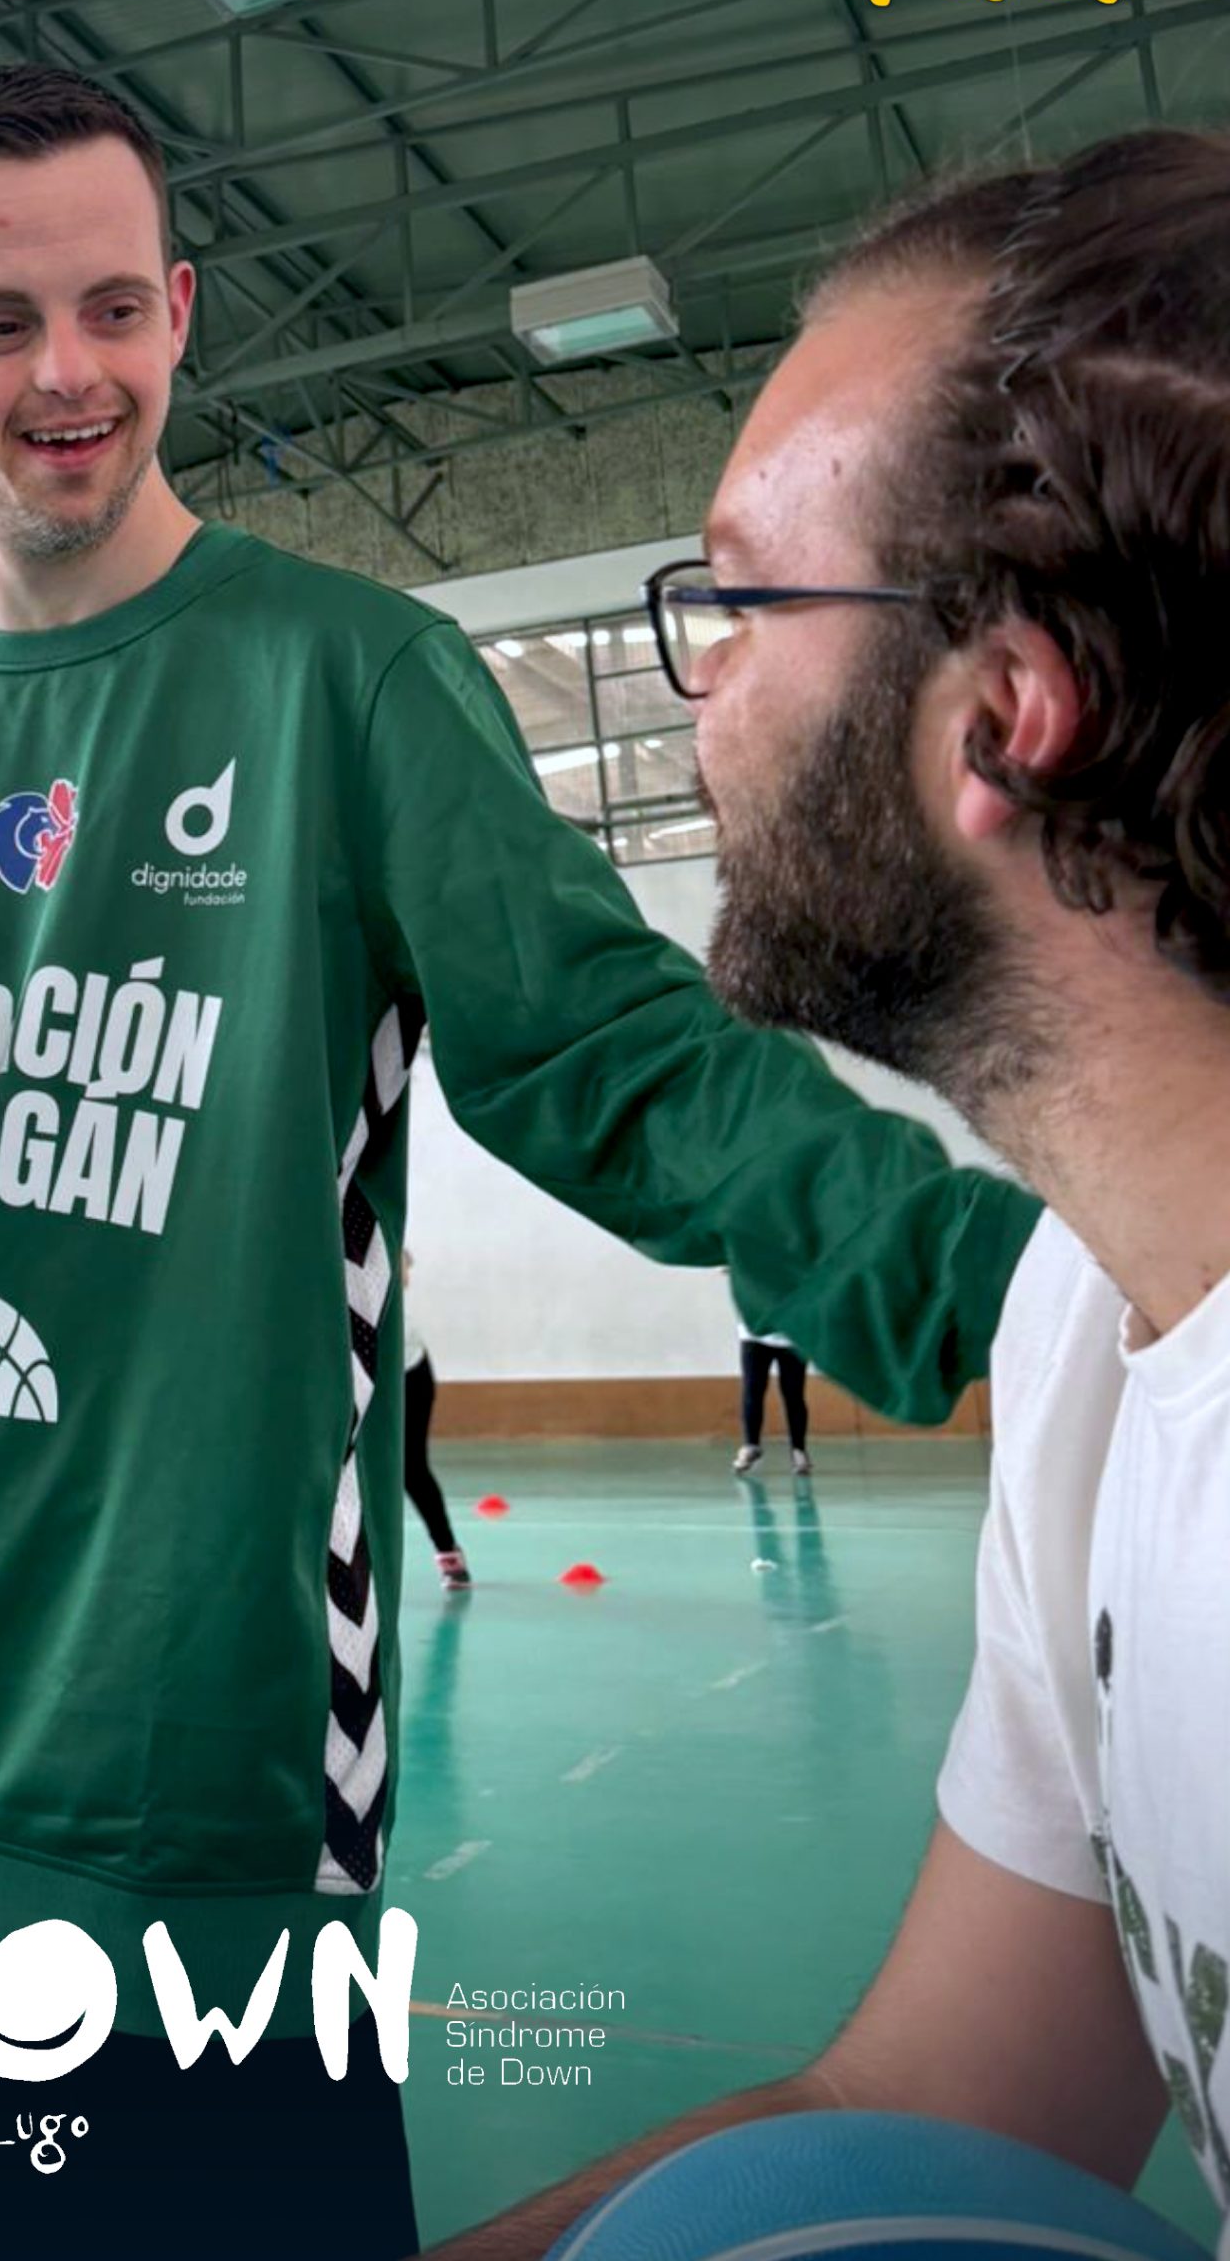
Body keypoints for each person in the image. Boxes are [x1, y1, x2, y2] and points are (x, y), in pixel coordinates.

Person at [0, 64, 1037, 2261]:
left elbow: (614, 1062)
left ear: (178, 312)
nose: (63, 373)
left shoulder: (353, 685)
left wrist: (1016, 1289)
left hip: (206, 1792)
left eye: (110, 308)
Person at [429, 126, 1230, 2258]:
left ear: (1009, 713)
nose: (697, 685)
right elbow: (929, 2098)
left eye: (738, 602)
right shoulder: (1085, 1328)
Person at [401, 1250, 470, 1588]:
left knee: (411, 1469)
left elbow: (403, 1268)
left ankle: (447, 1552)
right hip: (348, 1373)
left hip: (407, 1371)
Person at [735, 1316, 812, 1477]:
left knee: (794, 1394)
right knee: (752, 1390)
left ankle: (798, 1450)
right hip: (754, 1335)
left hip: (793, 1336)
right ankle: (751, 1445)